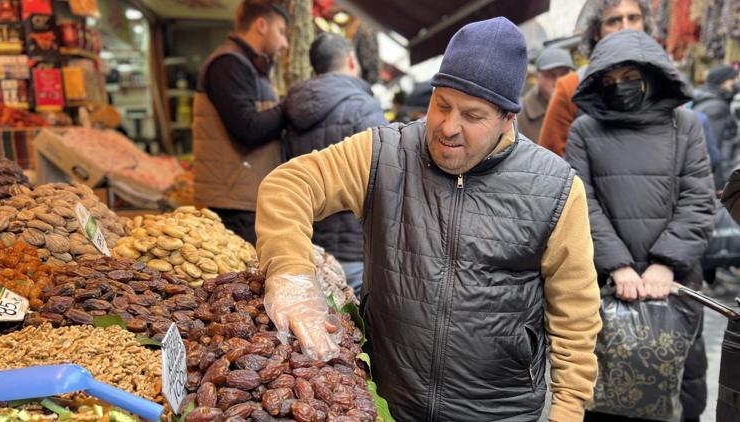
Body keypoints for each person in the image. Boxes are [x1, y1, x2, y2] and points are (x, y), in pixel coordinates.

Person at [256, 17, 602, 421]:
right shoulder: (384, 153)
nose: (448, 128)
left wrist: (568, 411)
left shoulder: (556, 188)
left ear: (508, 119)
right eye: (442, 105)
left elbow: (575, 315)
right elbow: (290, 185)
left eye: (472, 116)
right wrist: (291, 276)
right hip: (390, 403)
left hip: (501, 410)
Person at [564, 30, 714, 422]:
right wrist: (618, 266)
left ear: (652, 75)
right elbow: (581, 203)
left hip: (676, 285)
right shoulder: (584, 130)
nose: (620, 88)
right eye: (609, 81)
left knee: (681, 390)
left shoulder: (686, 126)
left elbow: (699, 199)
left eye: (629, 77)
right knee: (607, 390)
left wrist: (667, 263)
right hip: (605, 286)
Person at [282, 32, 387, 296]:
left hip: (310, 244)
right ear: (351, 60)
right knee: (357, 329)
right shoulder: (365, 107)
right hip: (355, 246)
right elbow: (385, 176)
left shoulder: (292, 109)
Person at [192, 0, 289, 245]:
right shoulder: (229, 64)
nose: (285, 43)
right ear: (261, 25)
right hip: (235, 201)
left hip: (245, 194)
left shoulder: (250, 65)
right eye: (281, 31)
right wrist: (293, 105)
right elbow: (248, 129)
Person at [538, 0, 652, 156]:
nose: (626, 28)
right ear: (596, 33)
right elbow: (550, 163)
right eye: (614, 20)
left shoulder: (663, 83)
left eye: (633, 18)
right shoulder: (571, 87)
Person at [517, 46, 574, 141]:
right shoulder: (520, 116)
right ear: (537, 77)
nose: (558, 81)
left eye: (564, 74)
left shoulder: (582, 105)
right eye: (551, 75)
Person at [693, 64, 739, 180]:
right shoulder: (716, 107)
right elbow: (715, 148)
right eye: (732, 79)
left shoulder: (709, 101)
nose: (736, 83)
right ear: (722, 82)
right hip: (718, 175)